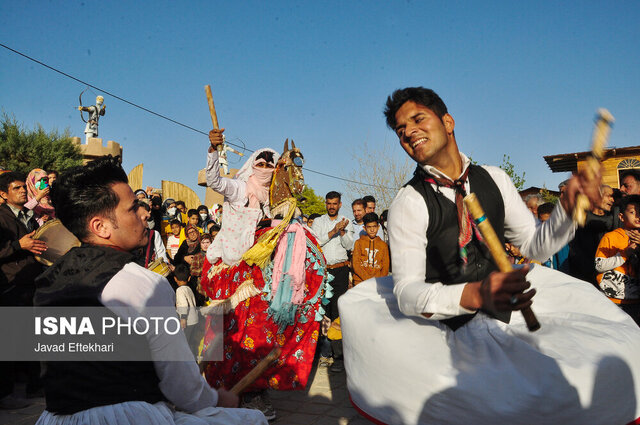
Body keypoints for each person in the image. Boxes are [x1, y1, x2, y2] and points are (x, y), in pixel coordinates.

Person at [338, 87, 640, 424]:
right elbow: (408, 293)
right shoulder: (409, 202)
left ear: (448, 121)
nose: (408, 132)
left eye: (417, 119)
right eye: (400, 130)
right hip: (456, 327)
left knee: (615, 356)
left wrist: (566, 213)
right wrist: (476, 293)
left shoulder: (494, 178)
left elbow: (534, 246)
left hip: (513, 309)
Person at [33, 155, 266, 424]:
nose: (145, 214)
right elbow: (180, 384)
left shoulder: (47, 283)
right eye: (133, 209)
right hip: (125, 417)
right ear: (101, 226)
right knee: (253, 419)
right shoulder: (139, 282)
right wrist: (215, 398)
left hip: (55, 418)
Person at [0, 171, 46, 409]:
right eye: (16, 188)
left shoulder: (26, 216)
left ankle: (34, 386)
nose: (22, 191)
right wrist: (19, 245)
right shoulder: (1, 218)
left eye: (23, 188)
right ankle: (5, 394)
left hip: (31, 282)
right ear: (3, 194)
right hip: (11, 284)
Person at [311, 191, 354, 373]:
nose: (331, 206)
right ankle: (323, 354)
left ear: (340, 204)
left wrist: (342, 232)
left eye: (334, 203)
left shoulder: (347, 220)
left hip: (341, 271)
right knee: (321, 312)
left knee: (338, 311)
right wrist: (333, 231)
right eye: (329, 203)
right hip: (322, 271)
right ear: (326, 204)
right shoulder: (319, 222)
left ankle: (338, 356)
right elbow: (317, 241)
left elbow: (350, 245)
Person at [595, 194, 640, 325]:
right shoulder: (611, 237)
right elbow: (599, 265)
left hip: (636, 301)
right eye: (632, 212)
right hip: (612, 300)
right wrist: (625, 254)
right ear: (621, 216)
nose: (637, 215)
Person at [568, 184, 614, 285]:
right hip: (585, 278)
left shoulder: (615, 220)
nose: (612, 200)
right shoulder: (578, 221)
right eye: (608, 196)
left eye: (613, 196)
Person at [351, 212, 390, 285]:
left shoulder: (383, 245)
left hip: (377, 283)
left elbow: (385, 267)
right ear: (364, 228)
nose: (372, 230)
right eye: (369, 227)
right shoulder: (358, 243)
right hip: (360, 282)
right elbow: (356, 265)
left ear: (378, 227)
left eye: (374, 226)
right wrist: (368, 280)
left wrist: (378, 282)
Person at [174, 263, 200, 357]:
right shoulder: (189, 289)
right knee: (191, 343)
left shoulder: (180, 290)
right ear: (189, 278)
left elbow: (184, 305)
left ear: (175, 279)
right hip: (194, 320)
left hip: (188, 321)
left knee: (185, 344)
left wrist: (183, 318)